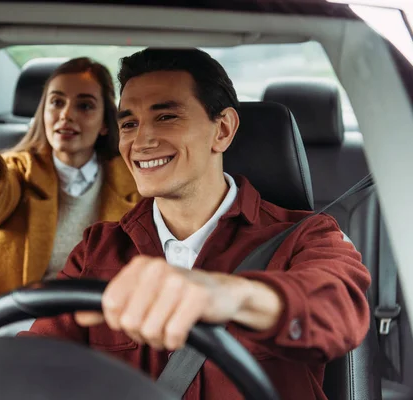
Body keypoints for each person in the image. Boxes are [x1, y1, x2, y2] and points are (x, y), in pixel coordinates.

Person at [24, 48, 371, 400]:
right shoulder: (97, 249)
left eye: (166, 117)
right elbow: (32, 362)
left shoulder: (307, 236)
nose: (141, 141)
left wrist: (230, 296)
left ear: (222, 130)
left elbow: (340, 309)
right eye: (129, 124)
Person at [0, 57, 140, 301]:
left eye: (84, 106)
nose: (66, 115)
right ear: (44, 114)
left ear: (105, 123)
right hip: (16, 310)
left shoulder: (133, 180)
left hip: (97, 314)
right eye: (57, 102)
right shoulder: (18, 168)